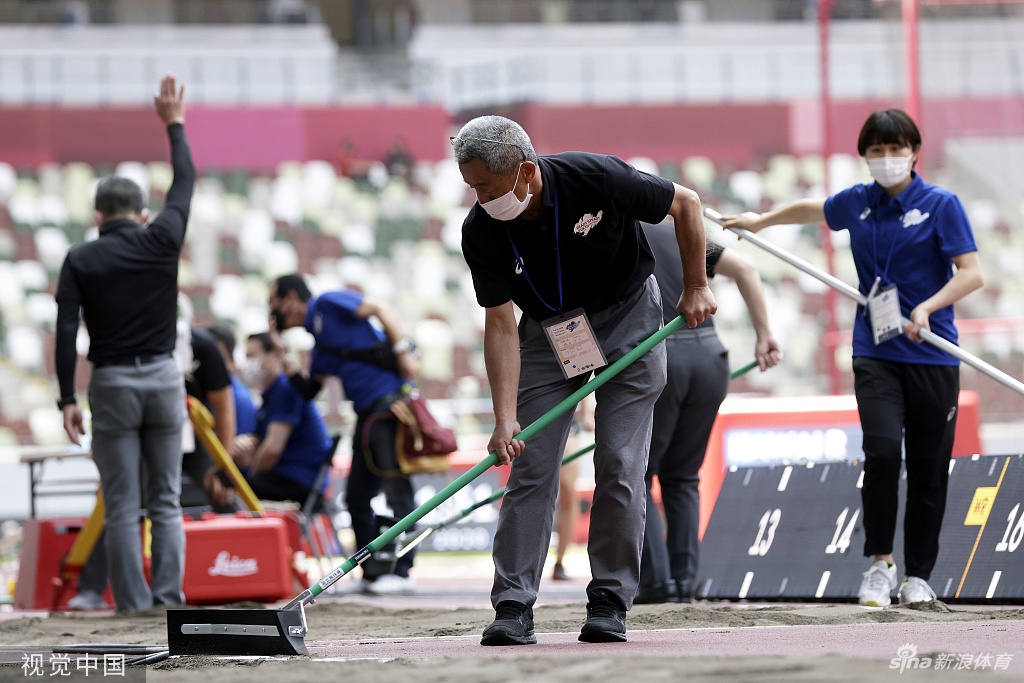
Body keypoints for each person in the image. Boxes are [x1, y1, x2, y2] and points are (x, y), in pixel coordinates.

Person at [452, 115, 716, 645]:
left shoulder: (597, 178)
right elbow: (500, 325)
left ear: (526, 171)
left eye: (488, 188)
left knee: (620, 461)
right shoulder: (480, 230)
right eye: (471, 187)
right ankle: (513, 605)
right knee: (529, 463)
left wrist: (695, 285)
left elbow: (686, 204)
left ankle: (610, 601)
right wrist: (505, 418)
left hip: (629, 317)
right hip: (551, 331)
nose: (480, 199)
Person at [721, 108, 983, 607]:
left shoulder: (941, 204)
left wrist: (927, 307)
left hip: (932, 353)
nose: (886, 158)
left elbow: (972, 273)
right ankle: (880, 565)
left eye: (896, 149)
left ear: (914, 153)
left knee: (928, 467)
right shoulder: (859, 202)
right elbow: (814, 209)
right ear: (865, 156)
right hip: (874, 350)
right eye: (876, 151)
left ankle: (918, 577)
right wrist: (762, 220)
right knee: (881, 453)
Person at [54, 75, 192, 613]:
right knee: (166, 501)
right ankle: (169, 600)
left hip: (111, 383)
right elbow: (184, 181)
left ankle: (133, 608)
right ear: (142, 214)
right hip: (162, 377)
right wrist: (174, 125)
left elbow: (67, 331)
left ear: (97, 217)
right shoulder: (162, 239)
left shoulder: (80, 258)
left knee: (122, 505)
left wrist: (67, 398)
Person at [635, 222, 782, 605]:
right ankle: (684, 583)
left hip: (660, 357)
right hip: (709, 358)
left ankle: (656, 583)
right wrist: (764, 334)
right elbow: (746, 267)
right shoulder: (676, 229)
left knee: (637, 474)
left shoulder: (611, 231)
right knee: (682, 477)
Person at [268, 274, 422, 595]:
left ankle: (403, 572)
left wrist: (402, 351)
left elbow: (380, 307)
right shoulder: (320, 347)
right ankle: (373, 574)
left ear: (292, 299)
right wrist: (283, 354)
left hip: (389, 407)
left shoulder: (327, 303)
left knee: (397, 491)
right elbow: (308, 390)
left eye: (274, 303)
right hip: (367, 415)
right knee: (356, 497)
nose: (272, 311)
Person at [204, 332, 334, 506]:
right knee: (226, 479)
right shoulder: (269, 396)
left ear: (274, 356)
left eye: (252, 356)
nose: (248, 363)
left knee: (224, 484)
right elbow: (256, 447)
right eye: (246, 357)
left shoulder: (286, 389)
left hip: (297, 479)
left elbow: (272, 450)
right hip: (284, 475)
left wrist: (248, 479)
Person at [551, 396, 594, 582]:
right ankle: (523, 563)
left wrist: (586, 413)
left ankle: (559, 562)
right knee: (535, 492)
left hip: (568, 423)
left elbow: (583, 376)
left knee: (569, 493)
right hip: (535, 415)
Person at [206, 322, 259, 436]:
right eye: (206, 357)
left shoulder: (241, 400)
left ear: (231, 361)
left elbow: (239, 444)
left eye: (216, 357)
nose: (210, 363)